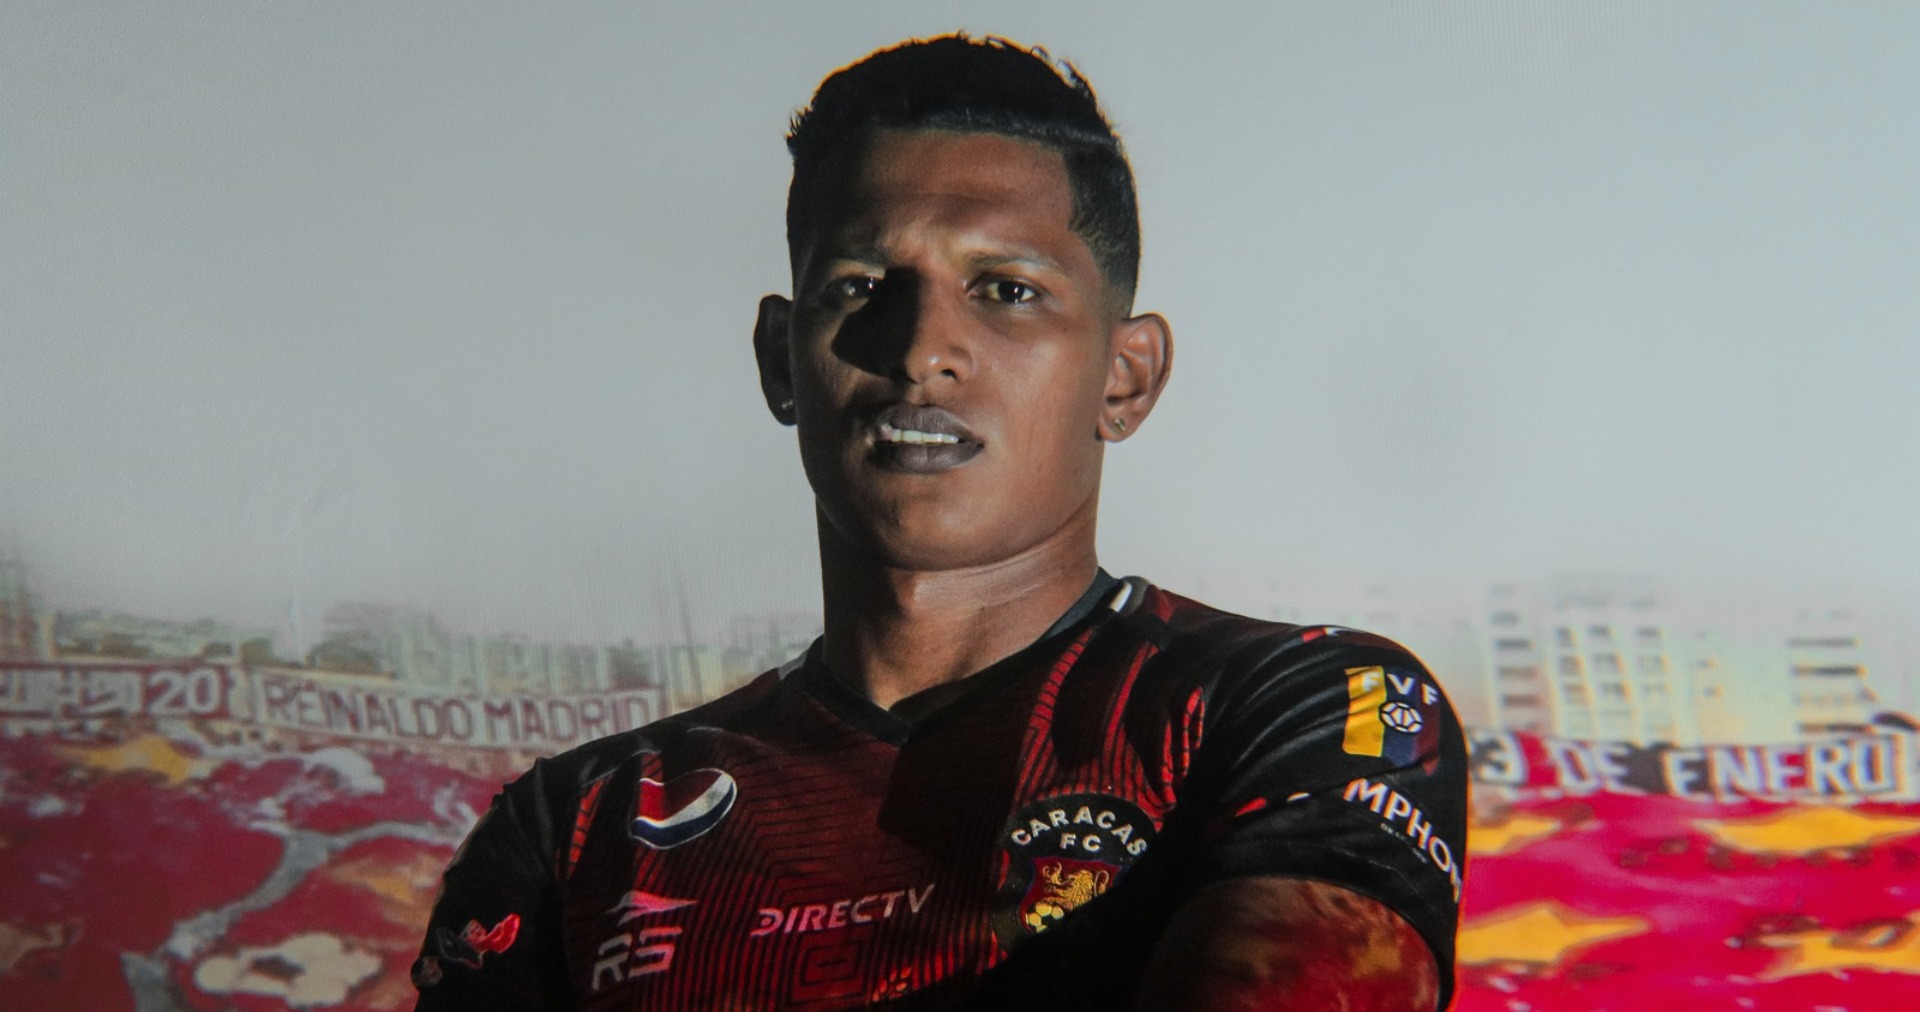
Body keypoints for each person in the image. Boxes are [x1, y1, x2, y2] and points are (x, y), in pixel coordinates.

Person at [412, 34, 1466, 1011]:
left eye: (1006, 290)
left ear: (1126, 376)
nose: (921, 351)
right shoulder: (576, 824)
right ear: (782, 361)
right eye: (861, 286)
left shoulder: (1299, 707)